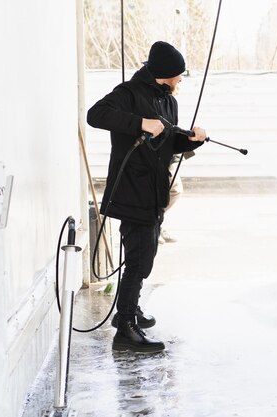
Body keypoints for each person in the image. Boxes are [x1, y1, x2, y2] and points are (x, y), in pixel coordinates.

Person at [87, 41, 207, 353]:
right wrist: (141, 122)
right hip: (131, 190)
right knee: (139, 258)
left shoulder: (169, 102)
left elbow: (168, 143)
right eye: (178, 76)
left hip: (155, 191)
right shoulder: (127, 93)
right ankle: (125, 329)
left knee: (145, 255)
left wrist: (192, 139)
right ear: (165, 75)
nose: (180, 82)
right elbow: (95, 115)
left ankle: (131, 310)